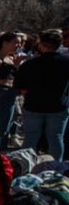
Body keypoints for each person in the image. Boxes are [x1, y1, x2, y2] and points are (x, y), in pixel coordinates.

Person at [15, 29, 69, 161]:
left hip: (33, 105)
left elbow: (19, 86)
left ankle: (26, 165)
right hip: (58, 105)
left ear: (42, 45)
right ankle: (56, 168)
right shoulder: (66, 63)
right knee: (56, 137)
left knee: (31, 137)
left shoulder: (30, 64)